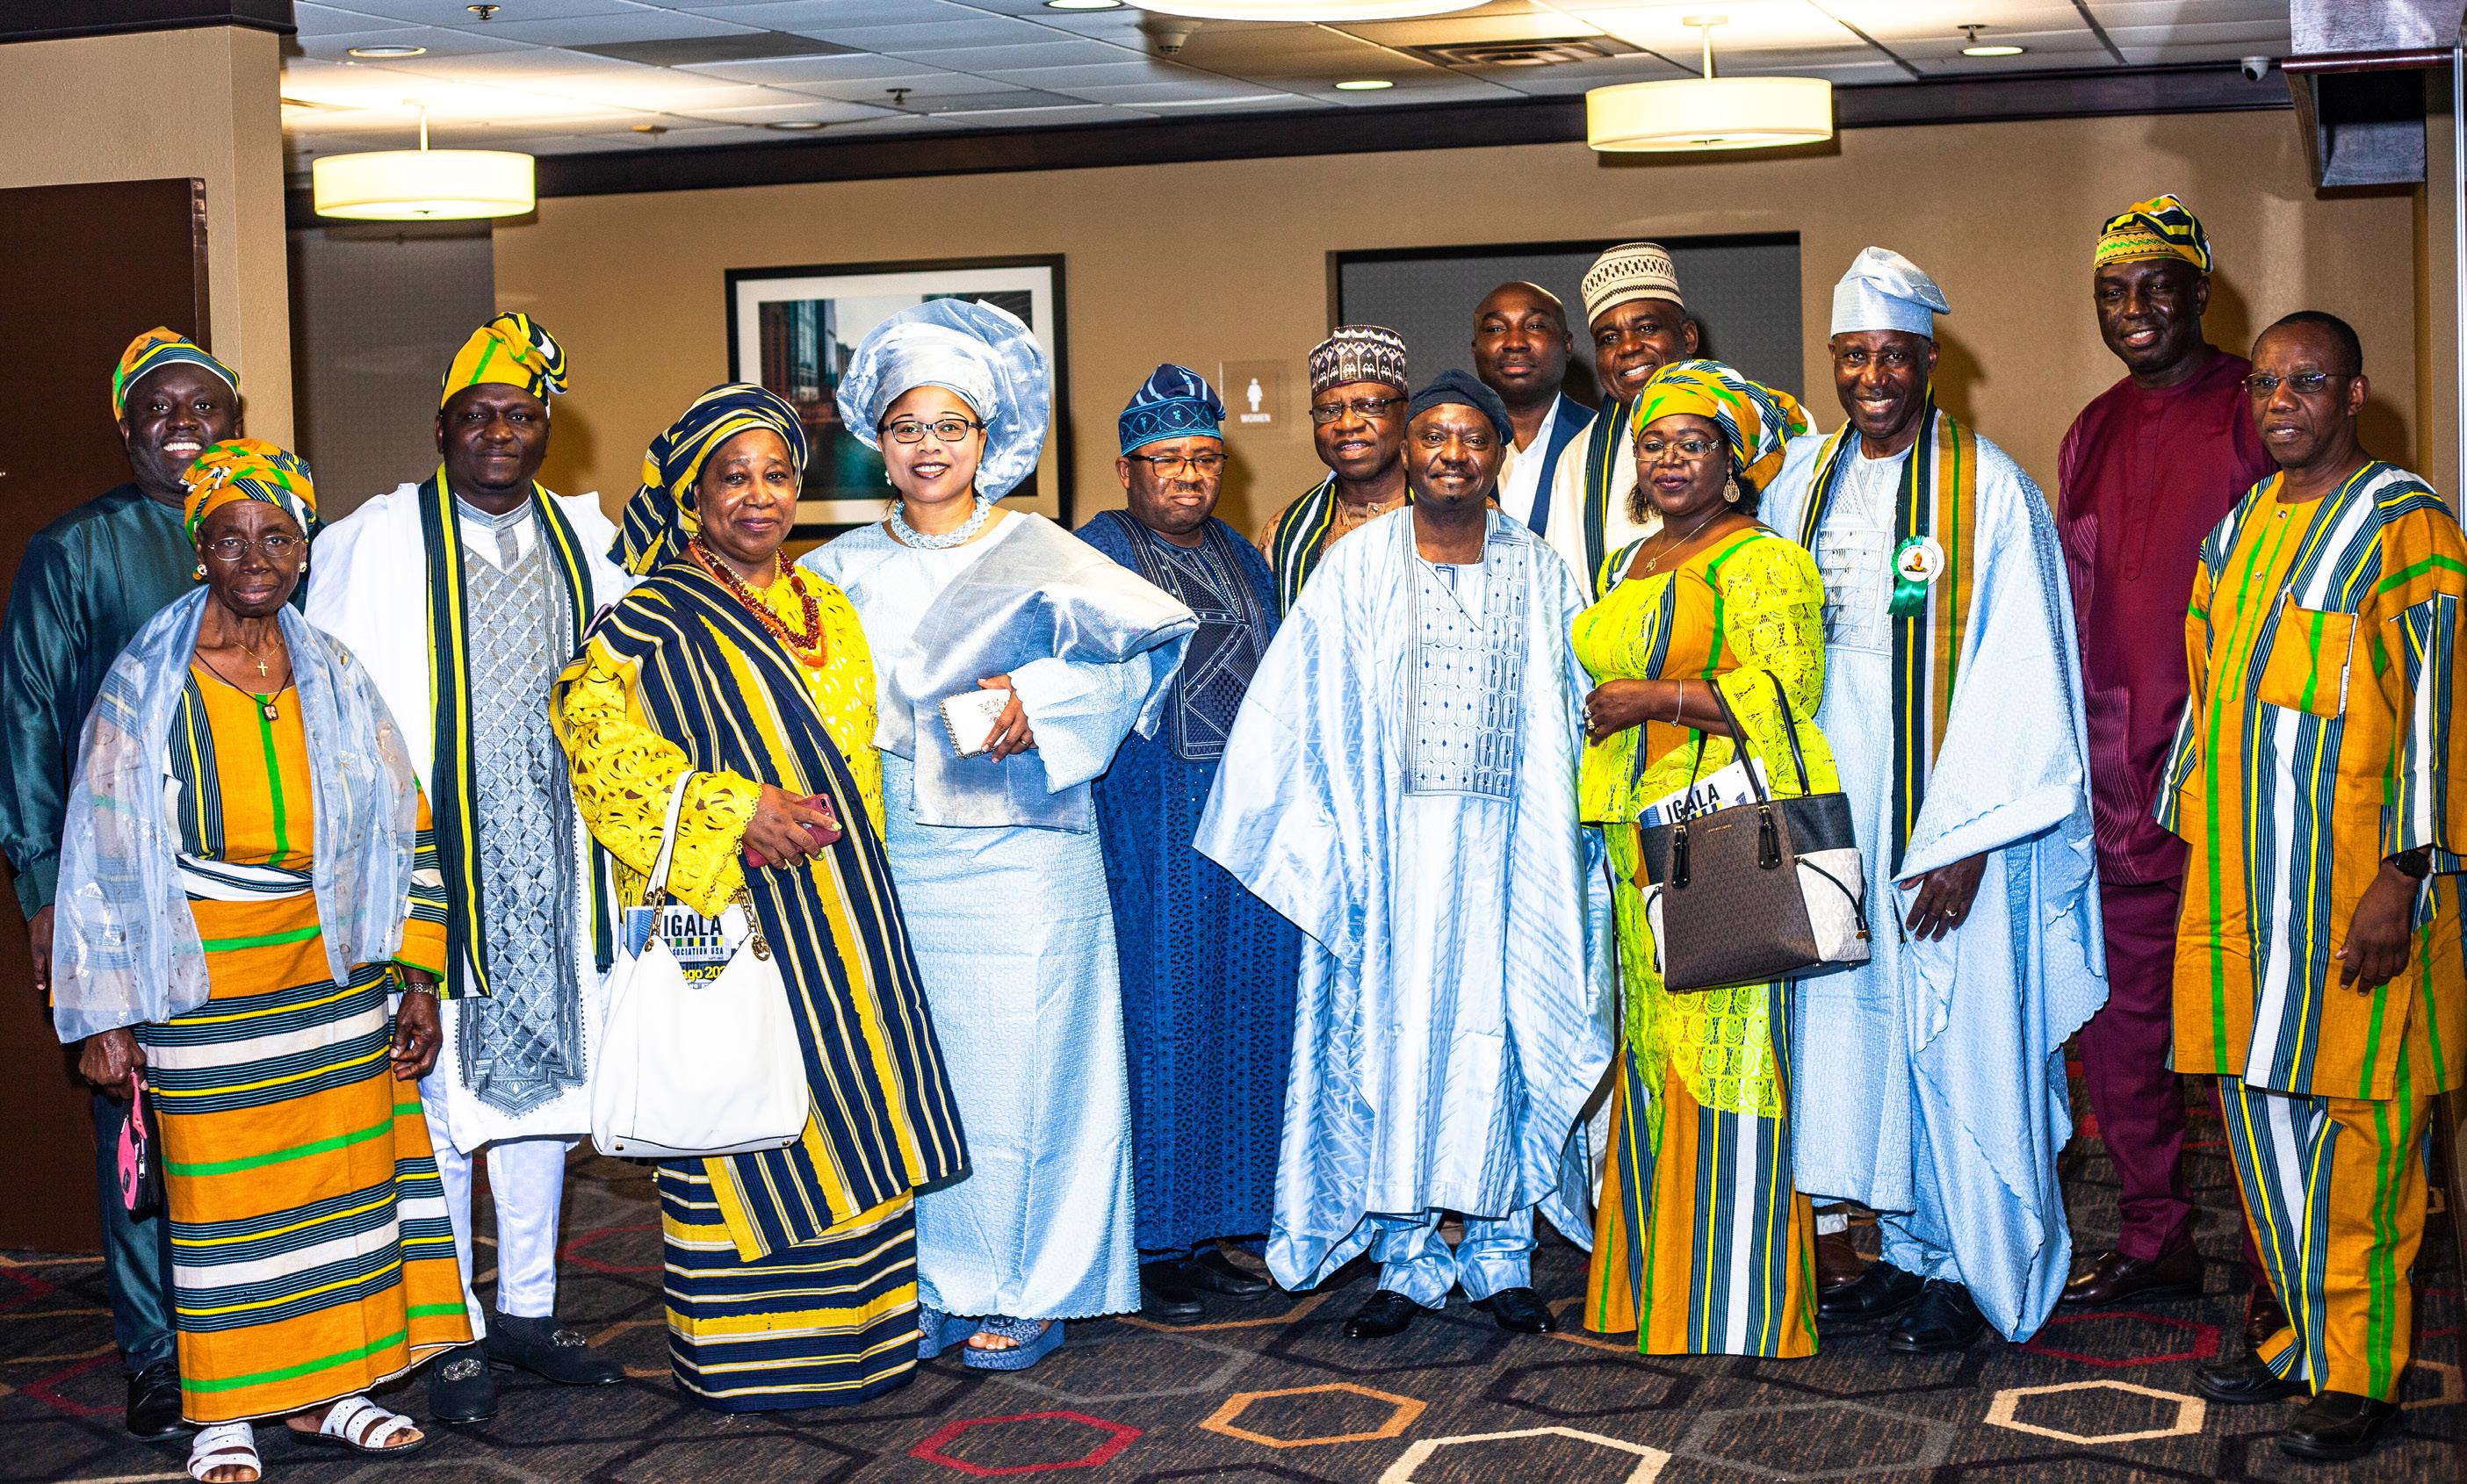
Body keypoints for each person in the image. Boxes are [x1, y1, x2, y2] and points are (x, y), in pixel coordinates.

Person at [50, 440, 468, 1483]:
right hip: (200, 975)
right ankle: (224, 1412)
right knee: (222, 1203)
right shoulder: (148, 679)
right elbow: (100, 848)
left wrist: (418, 977)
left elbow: (403, 821)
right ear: (200, 549)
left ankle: (335, 1390)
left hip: (334, 972)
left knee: (343, 1189)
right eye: (230, 539)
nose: (254, 558)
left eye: (275, 537)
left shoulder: (336, 673)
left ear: (303, 551)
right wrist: (106, 1013)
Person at [803, 300, 1196, 1372]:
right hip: (894, 850)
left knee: (1029, 1064)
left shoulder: (1041, 550)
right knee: (916, 1064)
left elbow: (1145, 654)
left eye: (951, 426)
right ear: (876, 441)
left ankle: (1032, 1285)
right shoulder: (833, 571)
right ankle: (934, 1279)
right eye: (907, 427)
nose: (928, 447)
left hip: (1025, 851)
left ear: (989, 437)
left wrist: (1041, 700)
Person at [558, 383, 966, 1411]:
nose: (757, 496)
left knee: (850, 1105)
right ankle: (749, 1358)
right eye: (732, 477)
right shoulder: (646, 616)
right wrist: (730, 809)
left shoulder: (828, 606)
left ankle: (866, 1345)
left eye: (776, 474)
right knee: (736, 1100)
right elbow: (590, 738)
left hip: (843, 908)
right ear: (692, 495)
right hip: (727, 912)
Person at [1197, 368, 1612, 1342]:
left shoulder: (1541, 570)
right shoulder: (1356, 567)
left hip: (1509, 855)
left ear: (1497, 453)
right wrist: (1331, 843)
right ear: (1408, 448)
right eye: (1433, 436)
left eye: (1473, 437)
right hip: (1387, 855)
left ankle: (1501, 1251)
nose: (1452, 454)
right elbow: (1297, 708)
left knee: (1504, 1037)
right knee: (1391, 1043)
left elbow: (1574, 712)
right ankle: (1407, 1256)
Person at [1761, 249, 2106, 1353]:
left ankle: (1974, 1259)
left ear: (1928, 362)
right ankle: (1909, 1246)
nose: (1872, 377)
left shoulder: (1989, 490)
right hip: (1836, 812)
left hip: (1954, 814)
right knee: (1862, 1034)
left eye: (1893, 356)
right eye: (1853, 355)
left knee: (1959, 1032)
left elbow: (2024, 672)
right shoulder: (1797, 483)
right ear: (1832, 359)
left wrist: (1965, 846)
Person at [306, 313, 631, 1423]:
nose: (500, 433)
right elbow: (332, 706)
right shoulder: (374, 539)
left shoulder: (588, 540)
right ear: (440, 428)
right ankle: (449, 1329)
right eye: (477, 416)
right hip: (428, 865)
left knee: (542, 1094)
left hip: (555, 866)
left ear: (547, 430)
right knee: (436, 1098)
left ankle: (528, 1310)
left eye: (521, 415)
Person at [2164, 312, 2465, 1463]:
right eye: (2263, 383)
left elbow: (2442, 706)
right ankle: (2299, 1335)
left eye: (2307, 381)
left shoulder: (2406, 525)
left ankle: (2360, 1367)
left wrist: (2404, 871)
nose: (2280, 401)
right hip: (2246, 899)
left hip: (2357, 897)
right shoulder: (2239, 526)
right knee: (2259, 1124)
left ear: (2354, 393)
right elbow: (2206, 691)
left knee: (2365, 1136)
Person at [0, 328, 239, 1443]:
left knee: (246, 1112)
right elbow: (26, 724)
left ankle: (255, 1335)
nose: (183, 422)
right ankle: (155, 1352)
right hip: (117, 888)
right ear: (126, 423)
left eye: (204, 405)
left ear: (233, 422)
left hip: (250, 884)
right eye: (159, 405)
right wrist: (43, 894)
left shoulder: (269, 536)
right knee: (137, 1119)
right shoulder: (74, 549)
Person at [2053, 198, 2281, 1328]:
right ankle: (2155, 1241)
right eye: (2113, 291)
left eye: (2156, 287)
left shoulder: (2258, 409)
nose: (2134, 309)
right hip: (2116, 790)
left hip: (2238, 786)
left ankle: (2283, 1263)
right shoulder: (2089, 430)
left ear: (2200, 292)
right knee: (2123, 1032)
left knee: (2251, 1033)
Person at [1575, 360, 1828, 1358]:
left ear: (1733, 463)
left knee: (1729, 1054)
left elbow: (1788, 693)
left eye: (1693, 443)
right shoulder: (1624, 563)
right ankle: (1655, 1289)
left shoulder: (1764, 561)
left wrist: (1657, 698)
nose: (1670, 459)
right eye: (1653, 442)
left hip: (1717, 833)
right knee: (1650, 1052)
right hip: (1628, 835)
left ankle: (1735, 1299)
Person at [1078, 365, 1301, 1323]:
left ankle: (1217, 1229)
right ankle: (1153, 1244)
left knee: (1242, 1013)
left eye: (1205, 458)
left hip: (1244, 822)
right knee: (1160, 1020)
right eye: (1166, 459)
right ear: (1127, 470)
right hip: (1146, 817)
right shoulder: (1092, 553)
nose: (1187, 476)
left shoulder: (1244, 557)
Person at [1540, 242, 1701, 591]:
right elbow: (1567, 593)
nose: (1628, 347)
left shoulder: (1757, 425)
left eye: (1647, 328)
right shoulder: (1579, 458)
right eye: (1609, 338)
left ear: (1688, 337)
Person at [1257, 325, 1411, 611]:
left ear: (1406, 412)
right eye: (1329, 411)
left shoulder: (1464, 517)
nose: (1347, 424)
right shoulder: (1285, 532)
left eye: (1369, 405)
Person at [1473, 281, 1593, 535]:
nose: (1515, 342)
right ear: (1475, 350)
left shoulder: (1600, 437)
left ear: (1567, 345)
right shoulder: (1450, 449)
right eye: (1495, 328)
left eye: (1535, 326)